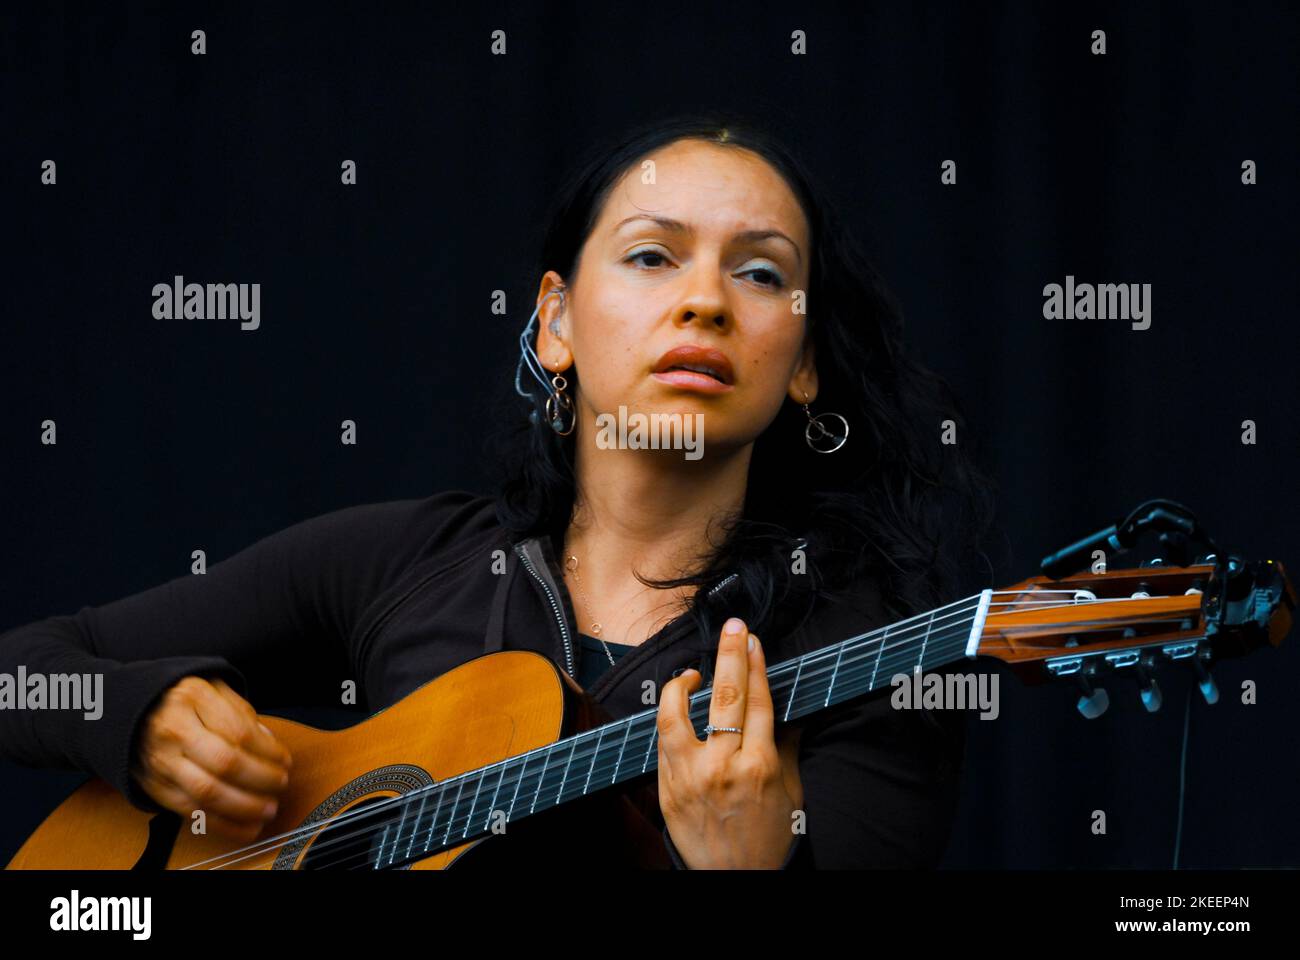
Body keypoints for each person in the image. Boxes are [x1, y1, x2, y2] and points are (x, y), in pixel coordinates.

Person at [0, 113, 997, 869]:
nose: (703, 299)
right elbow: (23, 670)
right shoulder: (401, 562)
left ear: (806, 364)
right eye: (652, 256)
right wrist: (137, 717)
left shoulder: (877, 652)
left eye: (761, 273)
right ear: (555, 324)